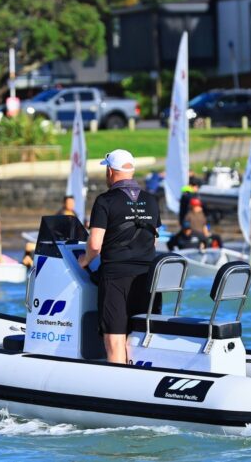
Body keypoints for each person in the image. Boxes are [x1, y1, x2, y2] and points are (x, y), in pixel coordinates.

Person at [77, 149, 161, 365]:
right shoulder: (151, 200)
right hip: (148, 278)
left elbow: (95, 244)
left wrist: (84, 261)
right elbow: (153, 240)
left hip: (116, 277)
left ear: (110, 171)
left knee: (115, 339)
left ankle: (118, 386)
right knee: (139, 338)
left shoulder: (105, 201)